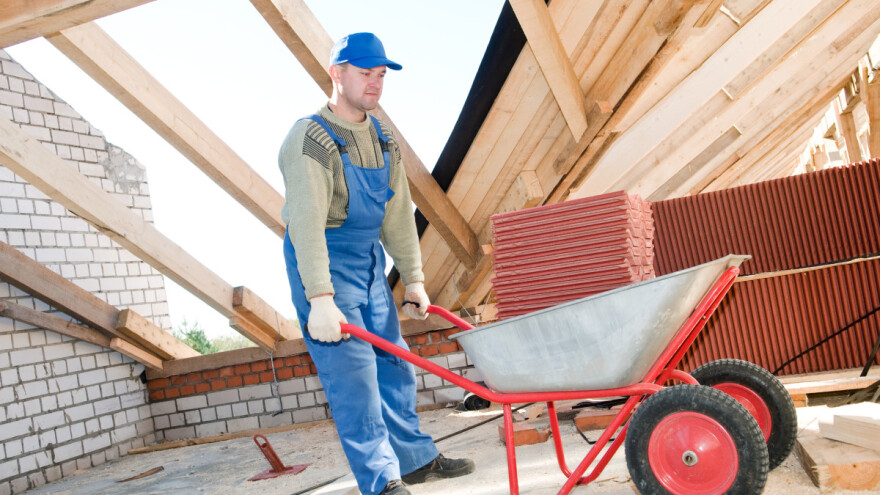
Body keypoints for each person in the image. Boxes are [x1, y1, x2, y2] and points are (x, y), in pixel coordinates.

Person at [279, 32, 475, 495]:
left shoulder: (383, 138)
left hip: (368, 260)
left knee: (394, 364)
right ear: (337, 73)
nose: (375, 82)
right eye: (365, 72)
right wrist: (320, 298)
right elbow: (306, 224)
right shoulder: (310, 139)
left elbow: (397, 214)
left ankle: (415, 460)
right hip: (324, 259)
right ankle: (381, 480)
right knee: (355, 379)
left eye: (381, 74)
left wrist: (414, 279)